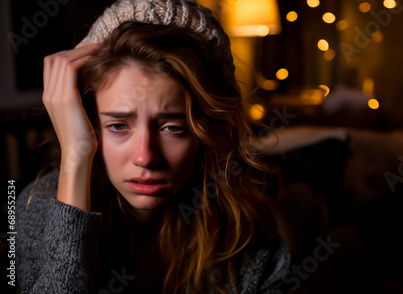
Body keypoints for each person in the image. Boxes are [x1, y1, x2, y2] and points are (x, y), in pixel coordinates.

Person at [16, 1, 290, 293]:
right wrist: (76, 153)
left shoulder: (249, 230)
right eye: (118, 126)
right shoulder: (38, 208)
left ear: (208, 130)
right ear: (87, 123)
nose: (145, 157)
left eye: (172, 127)